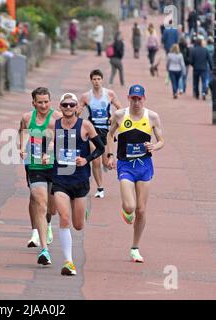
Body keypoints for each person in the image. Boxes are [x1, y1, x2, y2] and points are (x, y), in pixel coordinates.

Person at [105, 84, 164, 263]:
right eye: (133, 98)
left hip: (144, 165)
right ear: (129, 98)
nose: (136, 102)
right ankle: (126, 211)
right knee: (130, 207)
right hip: (125, 165)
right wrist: (110, 155)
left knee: (141, 209)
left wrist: (154, 146)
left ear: (144, 98)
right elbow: (109, 135)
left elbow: (161, 140)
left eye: (139, 98)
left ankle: (135, 247)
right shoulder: (119, 115)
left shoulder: (152, 116)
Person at [51, 93, 104, 275]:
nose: (68, 108)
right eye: (64, 105)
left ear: (76, 107)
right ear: (60, 107)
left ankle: (82, 211)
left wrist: (86, 159)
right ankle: (68, 262)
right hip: (60, 179)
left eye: (71, 105)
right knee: (64, 218)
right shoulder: (55, 124)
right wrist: (45, 154)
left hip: (80, 179)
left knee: (78, 225)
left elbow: (101, 148)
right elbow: (45, 142)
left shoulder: (85, 126)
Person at [19, 87, 62, 265]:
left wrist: (51, 148)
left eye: (46, 101)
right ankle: (44, 250)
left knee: (52, 209)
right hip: (34, 165)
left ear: (50, 102)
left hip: (54, 165)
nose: (43, 105)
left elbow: (66, 137)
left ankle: (48, 224)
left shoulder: (57, 117)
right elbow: (22, 132)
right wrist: (22, 147)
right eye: (40, 102)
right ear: (34, 103)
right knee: (40, 202)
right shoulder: (27, 118)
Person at [78, 69, 122, 198]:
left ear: (102, 80)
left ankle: (106, 163)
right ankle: (100, 188)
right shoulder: (86, 96)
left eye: (99, 79)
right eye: (94, 79)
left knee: (106, 163)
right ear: (91, 81)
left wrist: (113, 116)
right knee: (95, 161)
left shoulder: (109, 94)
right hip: (93, 131)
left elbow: (120, 108)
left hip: (107, 131)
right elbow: (78, 111)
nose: (96, 81)